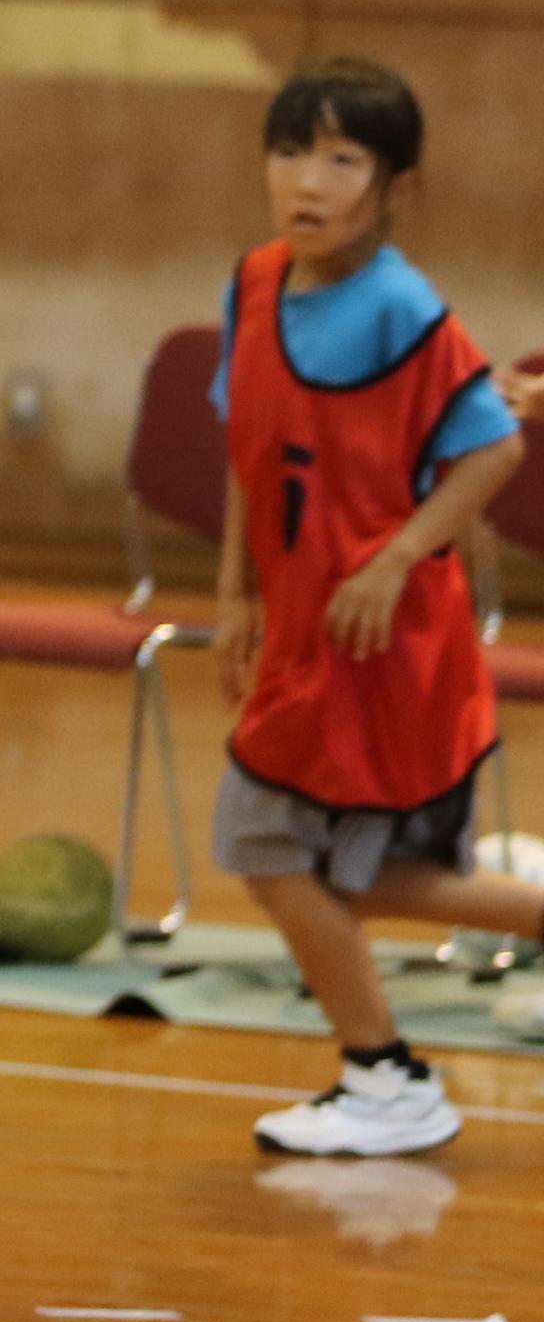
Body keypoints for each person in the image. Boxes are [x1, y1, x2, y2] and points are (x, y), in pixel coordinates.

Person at [211, 57, 542, 1159]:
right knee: (343, 873)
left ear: (398, 187)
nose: (307, 180)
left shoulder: (403, 308)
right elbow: (249, 447)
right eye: (289, 151)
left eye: (342, 159)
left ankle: (385, 1076)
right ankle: (385, 1072)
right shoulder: (256, 281)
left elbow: (494, 448)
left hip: (378, 640)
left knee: (262, 843)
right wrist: (235, 590)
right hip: (299, 629)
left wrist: (395, 558)